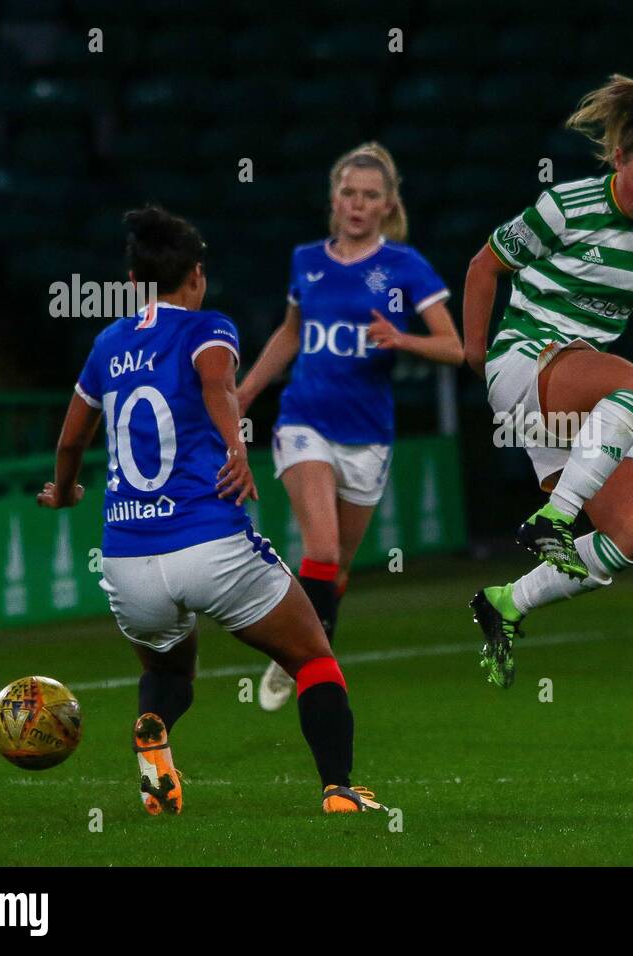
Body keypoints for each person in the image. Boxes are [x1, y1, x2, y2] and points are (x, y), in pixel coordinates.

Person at [38, 205, 382, 814]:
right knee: (311, 658)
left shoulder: (107, 344)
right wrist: (236, 447)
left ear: (132, 281)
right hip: (209, 544)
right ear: (195, 275)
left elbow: (70, 441)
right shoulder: (208, 328)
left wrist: (64, 491)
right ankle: (339, 790)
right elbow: (216, 384)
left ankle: (152, 728)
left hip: (126, 561)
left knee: (172, 676)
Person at [463, 75, 633, 688]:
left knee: (631, 535)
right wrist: (475, 351)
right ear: (618, 159)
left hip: (574, 392)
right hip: (527, 360)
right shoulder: (566, 206)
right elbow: (485, 264)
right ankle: (552, 517)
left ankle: (506, 602)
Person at [236, 143, 462, 711]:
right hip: (304, 418)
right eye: (348, 194)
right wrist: (244, 393)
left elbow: (455, 348)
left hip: (368, 433)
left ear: (388, 206)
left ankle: (296, 649)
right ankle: (312, 669)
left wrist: (402, 338)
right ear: (333, 199)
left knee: (335, 568)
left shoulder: (406, 267)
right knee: (322, 546)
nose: (357, 205)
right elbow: (291, 333)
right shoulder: (306, 260)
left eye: (370, 196)